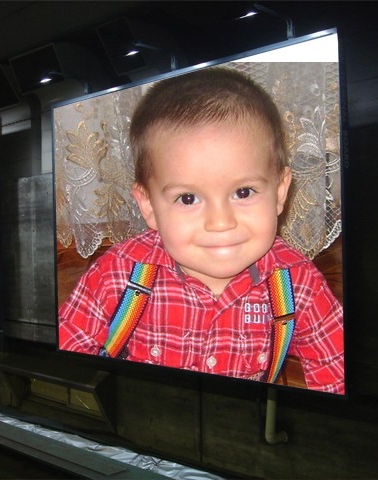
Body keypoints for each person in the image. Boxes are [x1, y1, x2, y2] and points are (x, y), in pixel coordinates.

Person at [58, 68, 344, 394]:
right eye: (188, 198)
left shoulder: (298, 284)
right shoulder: (118, 273)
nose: (220, 222)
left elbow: (338, 373)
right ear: (149, 206)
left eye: (243, 192)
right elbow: (65, 362)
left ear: (280, 192)